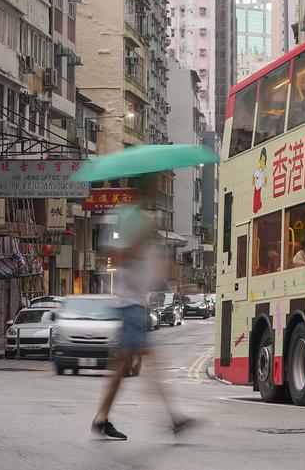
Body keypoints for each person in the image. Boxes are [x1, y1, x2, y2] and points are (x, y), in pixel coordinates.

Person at [92, 173, 193, 441]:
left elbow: (150, 262)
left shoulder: (144, 219)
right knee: (152, 361)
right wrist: (140, 241)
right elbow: (115, 254)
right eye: (156, 185)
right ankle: (174, 418)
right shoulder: (127, 216)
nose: (159, 191)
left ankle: (102, 418)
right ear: (146, 187)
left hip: (135, 301)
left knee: (121, 367)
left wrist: (165, 272)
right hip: (129, 303)